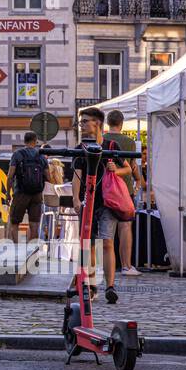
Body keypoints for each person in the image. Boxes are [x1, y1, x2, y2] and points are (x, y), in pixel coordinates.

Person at [71, 106, 130, 304]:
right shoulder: (81, 148)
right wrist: (75, 199)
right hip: (88, 201)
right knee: (89, 245)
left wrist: (115, 169)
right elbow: (76, 176)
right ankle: (91, 285)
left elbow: (128, 169)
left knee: (106, 243)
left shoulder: (111, 146)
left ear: (98, 124)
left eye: (85, 121)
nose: (82, 125)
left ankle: (110, 287)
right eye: (81, 122)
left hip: (107, 201)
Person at [103, 109, 144, 278]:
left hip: (104, 190)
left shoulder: (101, 140)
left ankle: (101, 266)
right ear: (121, 123)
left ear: (107, 122)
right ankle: (126, 266)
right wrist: (138, 182)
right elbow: (132, 166)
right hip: (123, 190)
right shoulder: (129, 142)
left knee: (104, 231)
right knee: (125, 227)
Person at [6, 132, 48, 244]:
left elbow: (10, 176)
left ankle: (17, 249)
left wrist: (7, 193)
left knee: (15, 222)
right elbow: (48, 176)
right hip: (37, 195)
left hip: (20, 193)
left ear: (24, 141)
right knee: (34, 223)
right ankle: (32, 251)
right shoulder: (41, 156)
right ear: (35, 141)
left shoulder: (17, 154)